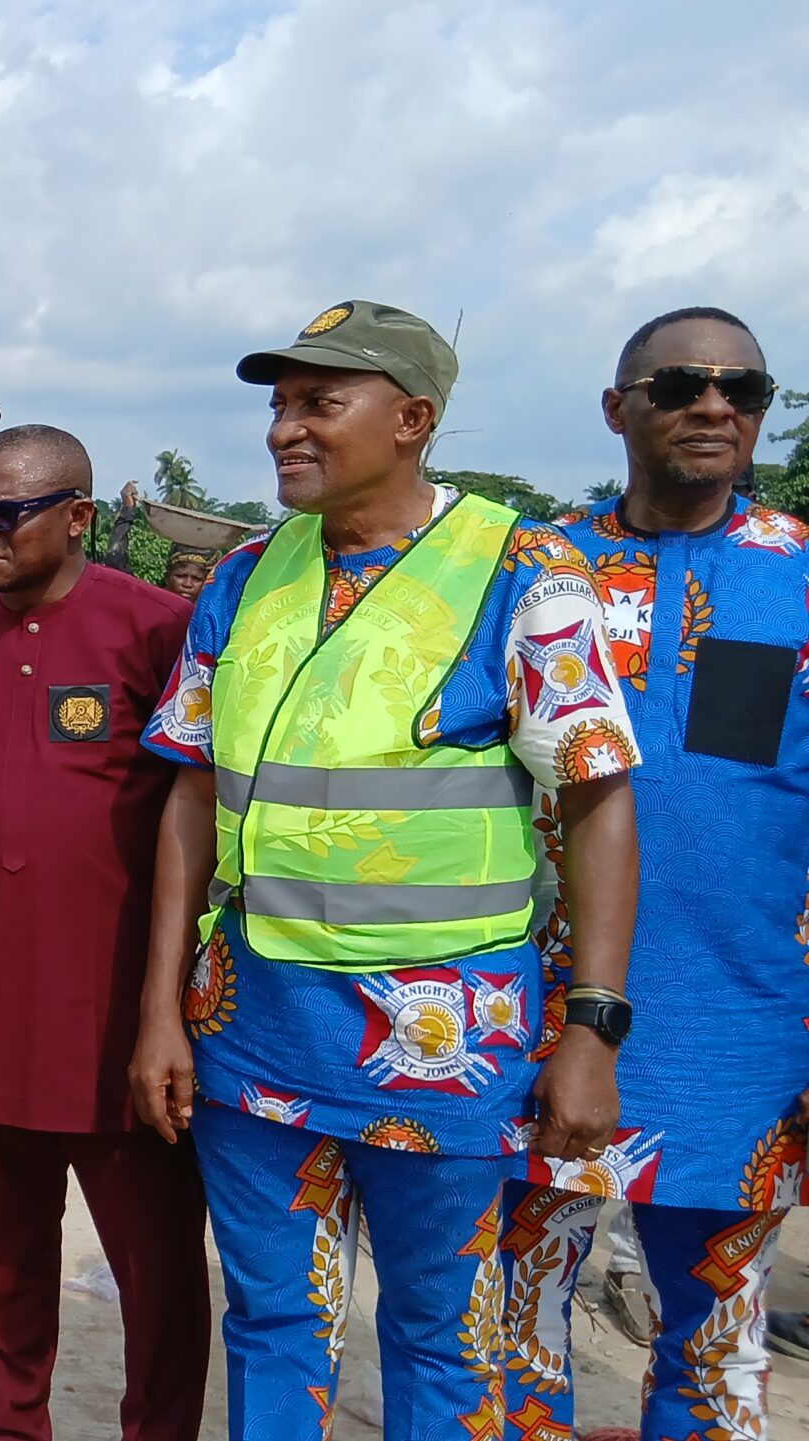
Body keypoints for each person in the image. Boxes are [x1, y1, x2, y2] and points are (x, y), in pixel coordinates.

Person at [129, 300, 642, 1439]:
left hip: (444, 1040)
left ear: (411, 419)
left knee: (440, 1332)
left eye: (320, 402)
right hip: (254, 1025)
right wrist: (161, 1006)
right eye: (279, 405)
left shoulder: (524, 571)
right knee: (273, 1319)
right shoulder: (246, 574)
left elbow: (597, 800)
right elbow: (191, 794)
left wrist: (593, 1027)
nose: (284, 429)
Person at [502, 307, 807, 1441]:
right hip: (540, 1011)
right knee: (514, 1327)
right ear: (616, 407)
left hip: (746, 1034)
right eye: (679, 384)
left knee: (716, 1341)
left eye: (743, 389)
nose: (713, 406)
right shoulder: (534, 570)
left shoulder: (800, 572)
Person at [0, 424, 211, 1440]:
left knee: (156, 1271)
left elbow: (197, 812)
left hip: (119, 1023)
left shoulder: (158, 631)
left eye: (2, 513)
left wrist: (167, 1009)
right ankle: (12, 1426)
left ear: (78, 517)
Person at [104, 483, 217, 603]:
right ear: (167, 576)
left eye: (197, 579)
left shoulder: (214, 611)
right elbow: (115, 561)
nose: (187, 584)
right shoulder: (153, 603)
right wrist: (127, 511)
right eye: (180, 576)